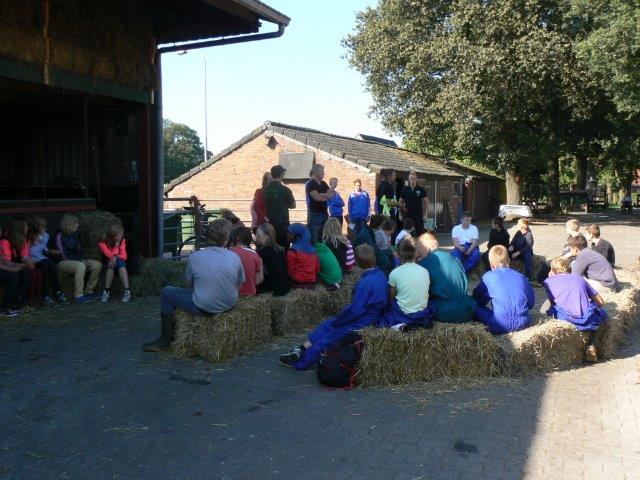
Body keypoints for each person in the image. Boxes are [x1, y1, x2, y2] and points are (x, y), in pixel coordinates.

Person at [142, 219, 245, 353]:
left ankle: (165, 340)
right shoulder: (235, 257)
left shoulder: (195, 256)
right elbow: (240, 285)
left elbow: (190, 284)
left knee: (167, 292)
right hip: (230, 304)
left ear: (207, 237)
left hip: (204, 307)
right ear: (227, 239)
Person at [278, 244, 388, 369]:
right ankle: (301, 349)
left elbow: (356, 311)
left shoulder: (365, 284)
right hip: (369, 317)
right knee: (328, 324)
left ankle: (300, 362)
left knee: (329, 337)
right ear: (374, 258)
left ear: (356, 262)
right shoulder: (381, 275)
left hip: (364, 321)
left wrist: (341, 319)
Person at [541, 257, 607, 362]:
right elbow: (601, 302)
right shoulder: (579, 278)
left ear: (552, 270)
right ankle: (591, 345)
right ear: (570, 269)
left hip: (566, 319)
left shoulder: (548, 281)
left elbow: (553, 302)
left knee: (547, 308)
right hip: (587, 320)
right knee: (603, 314)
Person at [472, 245, 535, 334]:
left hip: (500, 325)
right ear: (508, 260)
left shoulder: (488, 276)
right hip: (524, 323)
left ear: (492, 265)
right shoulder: (521, 277)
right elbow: (531, 304)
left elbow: (478, 300)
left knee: (472, 305)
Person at [417, 233, 475, 323]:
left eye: (419, 252)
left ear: (427, 249)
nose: (419, 255)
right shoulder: (454, 259)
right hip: (467, 308)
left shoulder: (424, 264)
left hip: (445, 312)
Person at [379, 237, 434, 330]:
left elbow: (391, 297)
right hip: (422, 312)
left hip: (403, 313)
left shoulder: (394, 273)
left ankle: (400, 325)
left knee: (386, 315)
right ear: (416, 253)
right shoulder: (425, 271)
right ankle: (417, 322)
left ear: (398, 254)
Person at [55, 214, 102, 303]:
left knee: (97, 265)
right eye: (76, 223)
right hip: (62, 261)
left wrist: (84, 259)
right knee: (80, 266)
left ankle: (89, 290)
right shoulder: (60, 236)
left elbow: (79, 250)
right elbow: (64, 254)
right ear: (69, 224)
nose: (78, 225)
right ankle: (78, 295)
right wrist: (81, 261)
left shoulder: (75, 235)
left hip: (76, 261)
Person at [27, 216, 67, 305]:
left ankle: (58, 291)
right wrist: (34, 240)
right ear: (37, 227)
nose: (45, 228)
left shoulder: (45, 235)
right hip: (32, 259)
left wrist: (51, 251)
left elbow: (44, 249)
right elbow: (26, 250)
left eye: (45, 226)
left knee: (52, 266)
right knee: (44, 267)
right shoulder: (30, 237)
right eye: (43, 226)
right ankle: (45, 295)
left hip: (41, 257)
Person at [263, 165, 296, 248]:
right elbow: (293, 205)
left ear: (272, 175)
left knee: (270, 247)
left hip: (268, 224)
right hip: (282, 225)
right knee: (283, 248)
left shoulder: (264, 189)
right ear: (281, 175)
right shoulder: (285, 190)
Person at [0, 223, 29, 316]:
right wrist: (11, 269)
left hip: (3, 267)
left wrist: (20, 265)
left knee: (24, 273)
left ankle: (18, 302)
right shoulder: (3, 242)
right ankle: (4, 308)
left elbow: (4, 261)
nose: (1, 232)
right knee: (13, 278)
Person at [255, 223, 290, 296]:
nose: (256, 236)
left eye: (258, 235)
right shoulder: (279, 249)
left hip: (271, 289)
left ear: (267, 237)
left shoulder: (262, 252)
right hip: (284, 286)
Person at [98, 224, 131, 303]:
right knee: (111, 263)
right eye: (119, 235)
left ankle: (127, 292)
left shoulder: (122, 240)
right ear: (113, 236)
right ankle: (106, 292)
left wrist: (116, 256)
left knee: (120, 262)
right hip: (107, 262)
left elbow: (124, 256)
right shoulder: (102, 243)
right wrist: (116, 246)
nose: (121, 236)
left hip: (120, 262)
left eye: (121, 234)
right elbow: (109, 256)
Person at [229, 226, 263, 297]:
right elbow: (258, 281)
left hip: (231, 295)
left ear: (237, 238)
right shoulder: (255, 254)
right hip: (249, 295)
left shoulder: (228, 253)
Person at [305, 164, 334, 244]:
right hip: (315, 213)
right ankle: (314, 250)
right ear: (316, 172)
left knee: (323, 235)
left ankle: (322, 250)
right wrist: (325, 196)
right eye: (321, 171)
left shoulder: (323, 183)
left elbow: (331, 195)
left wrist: (321, 194)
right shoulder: (311, 183)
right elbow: (316, 198)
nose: (323, 173)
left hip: (324, 213)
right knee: (313, 235)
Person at [286, 223, 320, 288]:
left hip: (298, 281)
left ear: (298, 237)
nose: (287, 235)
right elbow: (317, 268)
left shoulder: (292, 252)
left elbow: (290, 271)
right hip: (312, 281)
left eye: (290, 234)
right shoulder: (312, 250)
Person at [399, 171, 429, 235]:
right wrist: (400, 214)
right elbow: (400, 202)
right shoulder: (405, 189)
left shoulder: (421, 189)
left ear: (416, 179)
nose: (413, 180)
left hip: (418, 214)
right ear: (409, 179)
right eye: (411, 179)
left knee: (420, 233)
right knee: (407, 233)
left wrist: (426, 215)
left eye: (414, 178)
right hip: (407, 214)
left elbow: (427, 202)